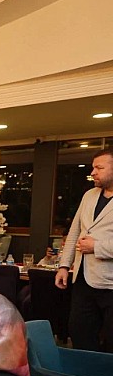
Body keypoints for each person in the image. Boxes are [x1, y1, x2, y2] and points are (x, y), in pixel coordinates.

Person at [56, 148, 113, 353]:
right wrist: (64, 265)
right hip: (82, 279)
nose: (93, 172)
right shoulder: (89, 195)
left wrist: (96, 247)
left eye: (99, 167)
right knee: (79, 333)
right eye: (92, 167)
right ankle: (84, 372)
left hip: (109, 283)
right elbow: (75, 232)